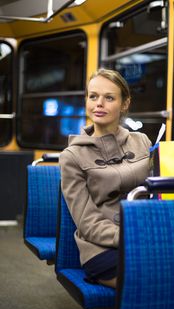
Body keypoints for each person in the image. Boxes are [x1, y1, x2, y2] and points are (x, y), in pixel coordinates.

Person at [59, 68, 151, 288]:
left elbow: (157, 192)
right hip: (102, 247)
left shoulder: (143, 141)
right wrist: (131, 236)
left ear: (125, 104)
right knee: (149, 277)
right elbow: (87, 222)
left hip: (146, 233)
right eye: (93, 96)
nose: (98, 104)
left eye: (109, 97)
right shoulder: (72, 156)